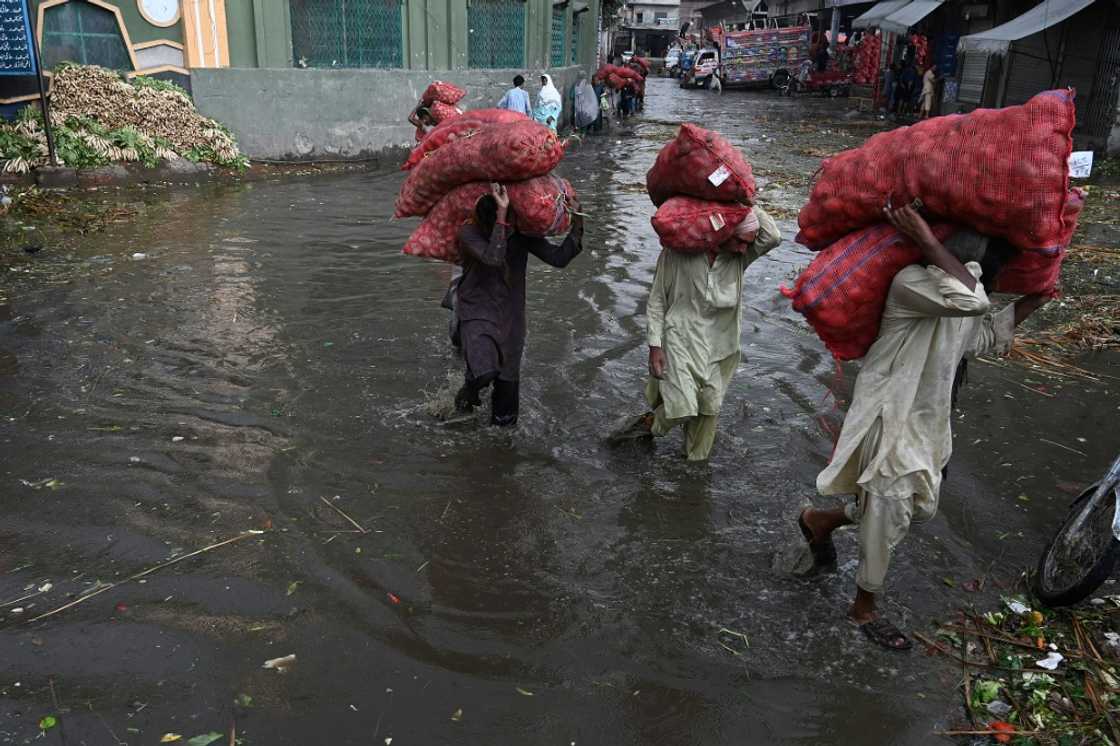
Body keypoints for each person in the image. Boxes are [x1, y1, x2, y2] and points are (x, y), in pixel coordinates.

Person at [796, 205, 1051, 651]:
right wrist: (928, 242)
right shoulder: (912, 283)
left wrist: (1036, 298)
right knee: (891, 505)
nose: (976, 268)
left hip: (928, 420)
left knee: (910, 508)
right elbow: (973, 300)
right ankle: (863, 609)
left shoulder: (957, 292)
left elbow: (982, 334)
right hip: (891, 415)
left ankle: (819, 521)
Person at [609, 206, 783, 460]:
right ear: (723, 233)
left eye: (748, 244)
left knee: (709, 409)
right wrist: (654, 345)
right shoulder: (679, 253)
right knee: (682, 408)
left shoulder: (739, 258)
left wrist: (743, 201)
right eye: (740, 242)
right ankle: (644, 426)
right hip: (680, 337)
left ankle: (694, 472)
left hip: (721, 343)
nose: (744, 248)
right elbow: (657, 299)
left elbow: (773, 237)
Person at [453, 184, 584, 426]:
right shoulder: (468, 233)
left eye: (511, 219)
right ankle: (467, 392)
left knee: (506, 412)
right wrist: (502, 215)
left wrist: (577, 221)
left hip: (511, 316)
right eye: (502, 221)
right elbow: (493, 258)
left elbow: (559, 258)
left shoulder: (522, 236)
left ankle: (502, 455)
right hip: (477, 311)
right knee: (484, 373)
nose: (509, 226)